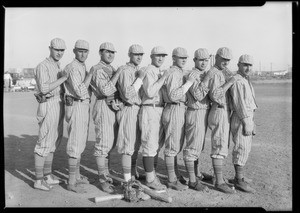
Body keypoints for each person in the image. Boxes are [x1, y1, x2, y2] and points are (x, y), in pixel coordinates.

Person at [33, 38, 68, 191]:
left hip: (58, 102)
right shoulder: (43, 65)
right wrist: (63, 78)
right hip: (48, 104)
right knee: (44, 142)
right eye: (57, 50)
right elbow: (45, 88)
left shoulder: (56, 65)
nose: (59, 53)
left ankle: (47, 175)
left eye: (62, 50)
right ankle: (38, 180)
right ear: (50, 48)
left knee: (53, 142)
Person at [161, 47, 196, 191]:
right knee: (172, 146)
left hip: (179, 109)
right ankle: (171, 179)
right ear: (173, 58)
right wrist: (189, 83)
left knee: (176, 145)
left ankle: (174, 174)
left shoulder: (179, 72)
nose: (183, 60)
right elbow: (174, 95)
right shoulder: (173, 72)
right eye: (180, 57)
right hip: (174, 107)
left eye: (185, 58)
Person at [90, 42, 123, 193]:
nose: (110, 54)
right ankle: (102, 179)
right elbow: (105, 90)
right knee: (103, 144)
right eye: (107, 52)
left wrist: (118, 103)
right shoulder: (97, 69)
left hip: (112, 106)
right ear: (100, 52)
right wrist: (117, 74)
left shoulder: (111, 68)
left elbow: (115, 92)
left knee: (110, 144)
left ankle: (107, 175)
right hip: (102, 106)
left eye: (112, 52)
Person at [203, 47, 237, 194]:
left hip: (221, 110)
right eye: (223, 59)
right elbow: (216, 95)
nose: (226, 62)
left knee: (222, 144)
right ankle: (219, 181)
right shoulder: (215, 73)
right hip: (219, 109)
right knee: (219, 145)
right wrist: (229, 83)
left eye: (228, 60)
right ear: (216, 57)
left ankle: (219, 178)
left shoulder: (220, 72)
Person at [63, 39, 94, 193]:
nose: (83, 54)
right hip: (76, 105)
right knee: (75, 144)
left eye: (85, 51)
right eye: (80, 51)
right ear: (74, 51)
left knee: (81, 143)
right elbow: (81, 91)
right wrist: (91, 75)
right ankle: (70, 181)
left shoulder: (81, 66)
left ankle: (77, 176)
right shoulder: (73, 67)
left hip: (83, 106)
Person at [139, 46, 171, 190]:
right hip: (149, 108)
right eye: (158, 56)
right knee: (149, 145)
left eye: (163, 56)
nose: (160, 58)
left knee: (156, 145)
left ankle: (151, 175)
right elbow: (150, 92)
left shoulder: (157, 71)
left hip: (158, 109)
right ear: (151, 56)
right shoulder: (148, 70)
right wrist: (163, 78)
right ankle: (150, 180)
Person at [116, 44, 146, 182]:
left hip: (138, 109)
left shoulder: (138, 70)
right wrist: (139, 79)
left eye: (141, 54)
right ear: (129, 54)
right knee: (127, 145)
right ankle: (128, 180)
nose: (139, 57)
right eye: (136, 54)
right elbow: (127, 94)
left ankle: (133, 174)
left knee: (135, 144)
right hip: (128, 108)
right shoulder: (124, 70)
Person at [183, 48, 212, 191]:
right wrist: (207, 79)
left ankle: (197, 173)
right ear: (194, 60)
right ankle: (192, 181)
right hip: (195, 112)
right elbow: (198, 95)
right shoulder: (192, 74)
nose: (204, 63)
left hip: (204, 112)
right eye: (201, 60)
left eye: (206, 60)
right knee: (193, 147)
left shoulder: (203, 73)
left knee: (199, 146)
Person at [228, 54, 257, 193]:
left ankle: (240, 177)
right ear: (238, 65)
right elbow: (239, 104)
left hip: (247, 117)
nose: (248, 68)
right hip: (241, 118)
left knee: (246, 148)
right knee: (241, 148)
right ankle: (239, 181)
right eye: (245, 64)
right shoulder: (238, 81)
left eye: (250, 65)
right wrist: (246, 122)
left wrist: (252, 121)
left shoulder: (246, 79)